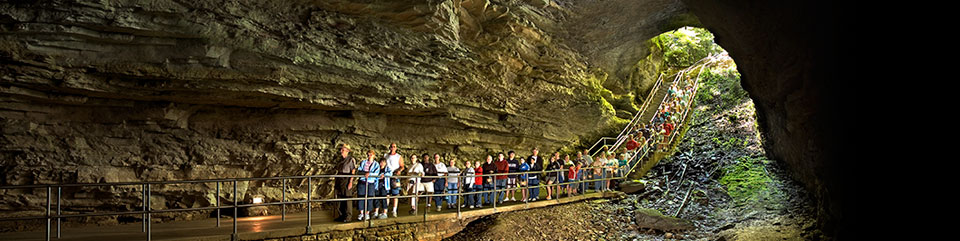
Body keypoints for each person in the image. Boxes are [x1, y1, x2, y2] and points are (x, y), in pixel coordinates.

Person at [333, 144, 356, 222]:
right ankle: (341, 215)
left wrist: (350, 182)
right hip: (339, 178)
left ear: (347, 151)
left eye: (343, 150)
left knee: (347, 198)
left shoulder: (351, 159)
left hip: (346, 178)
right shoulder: (340, 160)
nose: (341, 151)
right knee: (339, 198)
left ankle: (348, 217)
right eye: (341, 150)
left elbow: (353, 171)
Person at [356, 150, 380, 221]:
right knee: (361, 196)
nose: (369, 156)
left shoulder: (376, 164)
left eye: (371, 155)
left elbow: (376, 173)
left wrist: (369, 174)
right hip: (362, 181)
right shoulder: (363, 162)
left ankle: (367, 213)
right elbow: (359, 170)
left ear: (374, 156)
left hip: (370, 182)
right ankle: (361, 213)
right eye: (368, 154)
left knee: (370, 197)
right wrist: (365, 173)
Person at [383, 143, 404, 217]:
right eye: (391, 146)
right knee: (387, 194)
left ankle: (394, 210)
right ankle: (385, 210)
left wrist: (399, 171)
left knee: (395, 194)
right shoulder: (386, 156)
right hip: (387, 176)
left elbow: (402, 166)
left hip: (395, 177)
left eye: (394, 147)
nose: (393, 148)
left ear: (396, 148)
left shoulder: (398, 156)